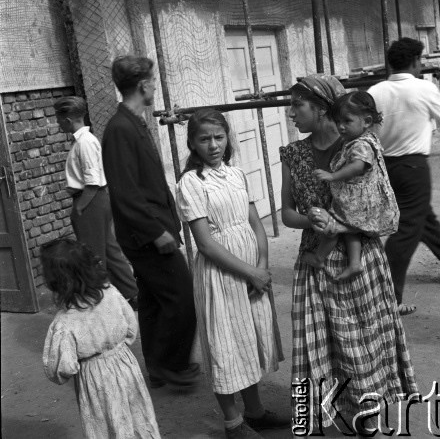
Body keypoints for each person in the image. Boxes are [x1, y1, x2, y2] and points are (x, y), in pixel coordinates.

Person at [280, 74, 418, 437]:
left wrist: (342, 225)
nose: (291, 112)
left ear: (322, 107)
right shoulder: (294, 155)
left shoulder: (360, 145)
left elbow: (376, 204)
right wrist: (313, 219)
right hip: (316, 259)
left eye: (298, 105)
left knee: (363, 343)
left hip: (361, 258)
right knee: (317, 345)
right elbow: (286, 214)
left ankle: (368, 419)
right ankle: (318, 420)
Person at [175, 109, 287, 439]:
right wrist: (250, 272)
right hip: (221, 275)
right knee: (225, 344)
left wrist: (262, 265)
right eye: (204, 139)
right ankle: (233, 423)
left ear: (228, 138)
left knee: (248, 338)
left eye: (219, 137)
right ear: (192, 143)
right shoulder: (191, 183)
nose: (213, 145)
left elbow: (256, 224)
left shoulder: (237, 174)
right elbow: (206, 244)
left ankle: (255, 412)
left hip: (253, 272)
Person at [102, 55, 198, 388]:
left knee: (155, 299)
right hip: (145, 235)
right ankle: (172, 364)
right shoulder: (119, 128)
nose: (155, 86)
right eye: (153, 81)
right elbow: (125, 192)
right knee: (182, 296)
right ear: (143, 85)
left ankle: (158, 367)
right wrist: (157, 232)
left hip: (150, 229)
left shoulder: (132, 122)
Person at [368, 37, 440, 316]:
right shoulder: (423, 88)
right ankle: (389, 296)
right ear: (414, 62)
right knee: (406, 229)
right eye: (420, 61)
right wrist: (424, 118)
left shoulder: (376, 91)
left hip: (385, 166)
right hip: (413, 166)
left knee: (421, 217)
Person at [41, 238, 160, 439]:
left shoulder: (64, 323)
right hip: (126, 366)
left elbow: (62, 368)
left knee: (107, 425)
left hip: (96, 381)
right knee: (137, 417)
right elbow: (131, 328)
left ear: (56, 282)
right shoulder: (111, 293)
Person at [302, 91, 399, 280]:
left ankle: (319, 257)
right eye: (338, 122)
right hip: (360, 202)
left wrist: (333, 176)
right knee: (348, 228)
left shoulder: (361, 145)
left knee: (333, 227)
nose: (341, 127)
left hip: (357, 201)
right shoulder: (361, 140)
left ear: (367, 121)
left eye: (347, 121)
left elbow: (358, 166)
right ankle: (355, 263)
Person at [53, 96, 139, 309]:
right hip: (96, 199)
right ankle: (133, 294)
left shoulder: (85, 143)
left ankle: (101, 303)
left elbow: (92, 182)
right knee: (109, 250)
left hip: (90, 200)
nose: (57, 123)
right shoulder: (84, 141)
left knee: (92, 254)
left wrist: (79, 208)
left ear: (68, 119)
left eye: (59, 119)